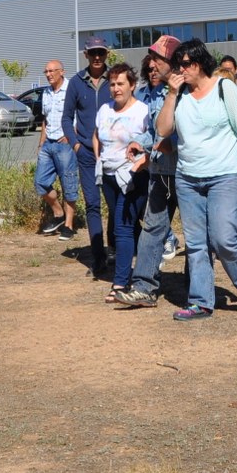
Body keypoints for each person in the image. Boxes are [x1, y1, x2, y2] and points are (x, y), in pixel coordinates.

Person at [156, 39, 237, 321]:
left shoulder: (224, 88)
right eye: (179, 65)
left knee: (223, 237)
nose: (182, 69)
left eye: (187, 64)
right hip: (188, 180)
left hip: (226, 175)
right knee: (196, 244)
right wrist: (170, 94)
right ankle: (201, 302)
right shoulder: (178, 95)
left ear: (201, 64)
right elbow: (163, 129)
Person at [113, 35, 183, 309]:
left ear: (174, 63)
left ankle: (198, 288)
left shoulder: (187, 91)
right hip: (160, 174)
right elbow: (155, 132)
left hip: (187, 175)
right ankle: (144, 288)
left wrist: (163, 146)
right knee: (152, 229)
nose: (151, 64)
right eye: (151, 58)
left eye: (158, 59)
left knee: (199, 233)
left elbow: (188, 133)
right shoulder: (155, 93)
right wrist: (140, 144)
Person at [93, 63, 151, 302]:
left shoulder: (143, 111)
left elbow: (152, 142)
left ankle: (120, 283)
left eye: (121, 84)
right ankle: (147, 267)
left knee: (122, 227)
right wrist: (98, 157)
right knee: (130, 227)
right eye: (112, 84)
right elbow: (96, 135)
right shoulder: (105, 109)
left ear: (132, 85)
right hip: (108, 175)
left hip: (133, 175)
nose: (116, 88)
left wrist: (140, 164)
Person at [62, 37, 114, 278]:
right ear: (86, 55)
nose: (97, 57)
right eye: (92, 53)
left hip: (114, 153)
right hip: (85, 155)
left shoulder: (115, 79)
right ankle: (98, 258)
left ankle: (114, 249)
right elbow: (66, 118)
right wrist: (75, 145)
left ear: (106, 54)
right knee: (93, 205)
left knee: (116, 205)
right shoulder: (76, 82)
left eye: (100, 53)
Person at [33, 60, 79, 238]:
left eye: (52, 71)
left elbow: (79, 116)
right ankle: (58, 213)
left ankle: (68, 225)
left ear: (62, 72)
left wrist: (71, 136)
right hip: (48, 143)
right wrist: (41, 143)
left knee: (69, 184)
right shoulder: (45, 93)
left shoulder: (71, 89)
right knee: (40, 182)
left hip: (65, 143)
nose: (48, 74)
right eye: (46, 71)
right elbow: (45, 120)